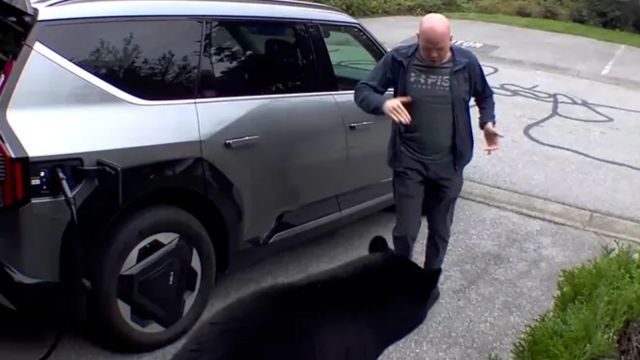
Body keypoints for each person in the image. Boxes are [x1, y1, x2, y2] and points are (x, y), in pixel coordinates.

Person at [354, 13, 500, 304]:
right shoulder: (399, 60)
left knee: (440, 230)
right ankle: (397, 282)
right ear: (418, 38)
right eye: (427, 47)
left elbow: (485, 95)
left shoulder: (466, 63)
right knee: (406, 231)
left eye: (440, 48)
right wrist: (383, 103)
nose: (433, 55)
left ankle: (428, 284)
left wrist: (487, 123)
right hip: (410, 163)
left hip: (449, 165)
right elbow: (363, 91)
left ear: (451, 39)